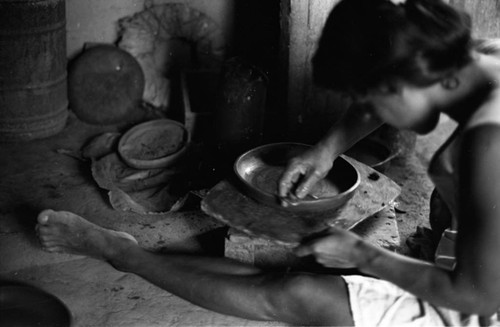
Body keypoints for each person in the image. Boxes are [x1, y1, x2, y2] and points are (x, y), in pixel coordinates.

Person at [36, 0, 500, 325]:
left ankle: (122, 255)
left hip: (485, 304)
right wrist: (325, 150)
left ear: (399, 84)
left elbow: (478, 296)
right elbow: (376, 95)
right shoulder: (481, 56)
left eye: (366, 97)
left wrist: (364, 255)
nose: (366, 110)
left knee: (295, 294)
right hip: (481, 269)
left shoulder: (487, 146)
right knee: (293, 274)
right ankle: (131, 251)